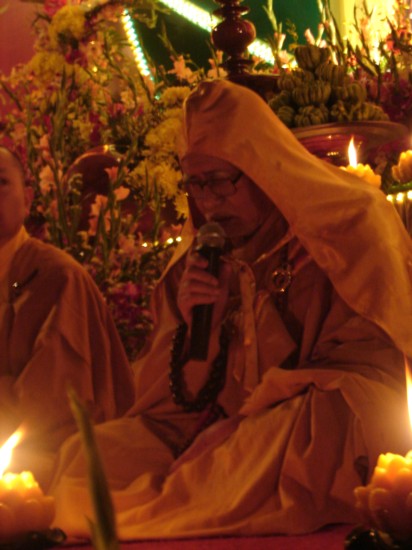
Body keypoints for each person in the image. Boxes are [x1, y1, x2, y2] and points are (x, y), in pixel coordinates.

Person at [49, 79, 412, 538]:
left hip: (312, 419)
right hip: (219, 429)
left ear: (262, 164)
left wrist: (250, 417)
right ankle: (179, 499)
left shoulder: (349, 222)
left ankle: (167, 506)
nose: (208, 201)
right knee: (90, 454)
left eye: (220, 181)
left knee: (309, 426)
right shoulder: (199, 259)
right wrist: (198, 326)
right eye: (195, 184)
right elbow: (169, 405)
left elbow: (374, 363)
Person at [0, 146, 135, 487]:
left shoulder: (57, 277)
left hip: (44, 456)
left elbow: (47, 405)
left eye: (0, 183)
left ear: (27, 198)